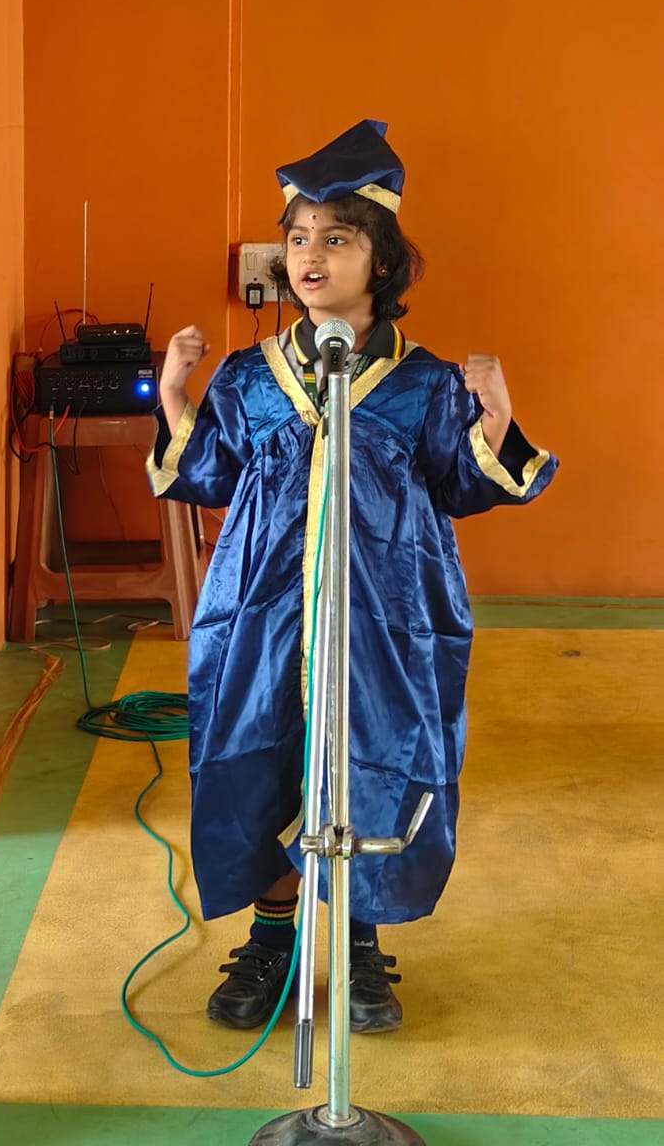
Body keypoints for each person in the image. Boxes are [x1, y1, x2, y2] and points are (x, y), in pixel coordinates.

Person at [147, 119, 557, 1036]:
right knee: (263, 758)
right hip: (263, 615)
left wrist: (493, 423)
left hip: (385, 616)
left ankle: (360, 938)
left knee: (373, 762)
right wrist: (174, 397)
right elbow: (208, 473)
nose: (309, 256)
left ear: (383, 261)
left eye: (336, 238)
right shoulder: (251, 378)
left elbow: (461, 486)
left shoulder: (424, 385)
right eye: (298, 238)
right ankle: (274, 936)